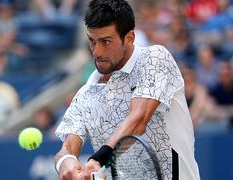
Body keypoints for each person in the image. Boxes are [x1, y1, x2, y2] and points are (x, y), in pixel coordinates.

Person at [54, 0, 201, 179]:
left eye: (106, 41)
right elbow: (67, 148)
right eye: (92, 41)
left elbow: (138, 120)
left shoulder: (155, 59)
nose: (96, 52)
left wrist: (99, 159)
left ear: (129, 38)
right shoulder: (86, 94)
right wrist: (66, 163)